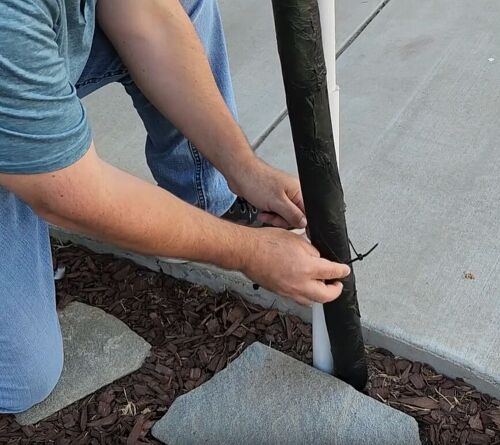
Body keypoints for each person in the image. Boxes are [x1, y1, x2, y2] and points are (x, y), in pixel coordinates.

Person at [0, 0, 351, 413]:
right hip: (14, 49)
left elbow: (148, 16)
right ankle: (24, 151)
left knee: (185, 5)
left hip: (25, 49)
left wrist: (245, 168)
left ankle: (28, 141)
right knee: (24, 377)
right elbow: (72, 196)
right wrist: (247, 252)